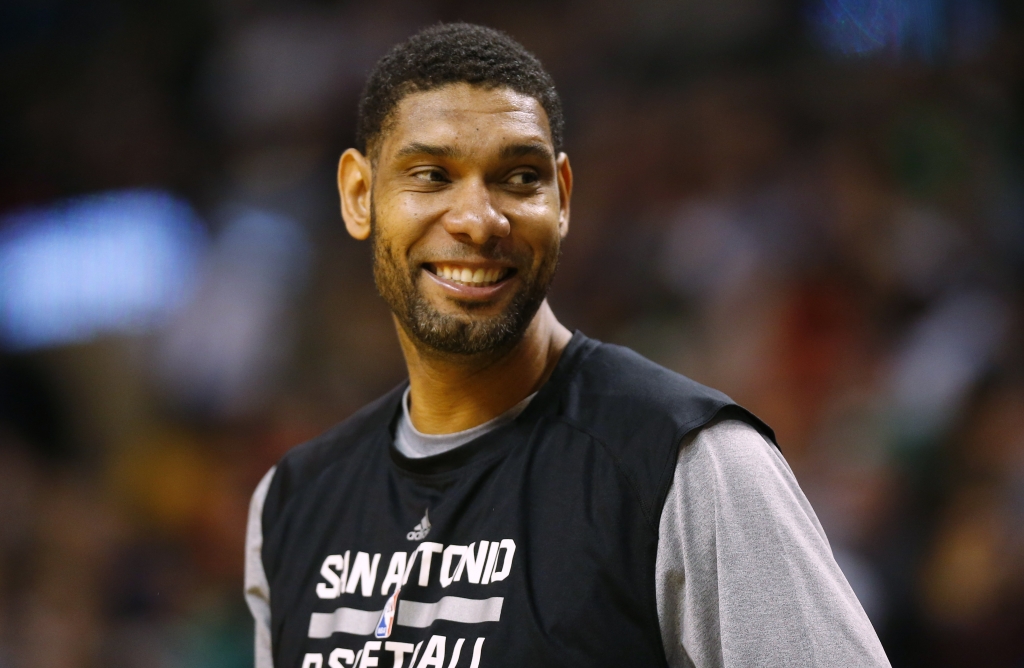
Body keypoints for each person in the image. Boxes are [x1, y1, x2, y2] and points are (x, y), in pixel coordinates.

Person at [245, 22, 890, 668]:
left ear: (563, 199)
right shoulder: (292, 505)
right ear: (359, 196)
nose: (477, 220)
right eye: (432, 175)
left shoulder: (688, 464)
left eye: (519, 177)